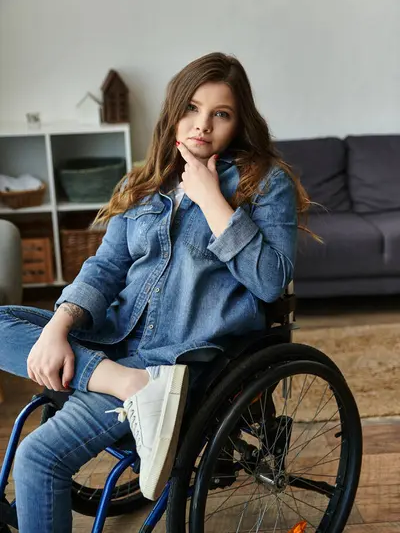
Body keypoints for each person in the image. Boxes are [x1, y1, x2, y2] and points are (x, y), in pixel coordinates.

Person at [0, 52, 309, 533]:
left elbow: (271, 280)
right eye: (191, 108)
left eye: (220, 114)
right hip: (113, 343)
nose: (202, 125)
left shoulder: (264, 183)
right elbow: (105, 268)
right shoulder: (143, 181)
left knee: (38, 458)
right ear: (173, 112)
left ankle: (129, 382)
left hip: (176, 361)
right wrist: (59, 326)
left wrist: (211, 198)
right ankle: (124, 386)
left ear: (239, 120)